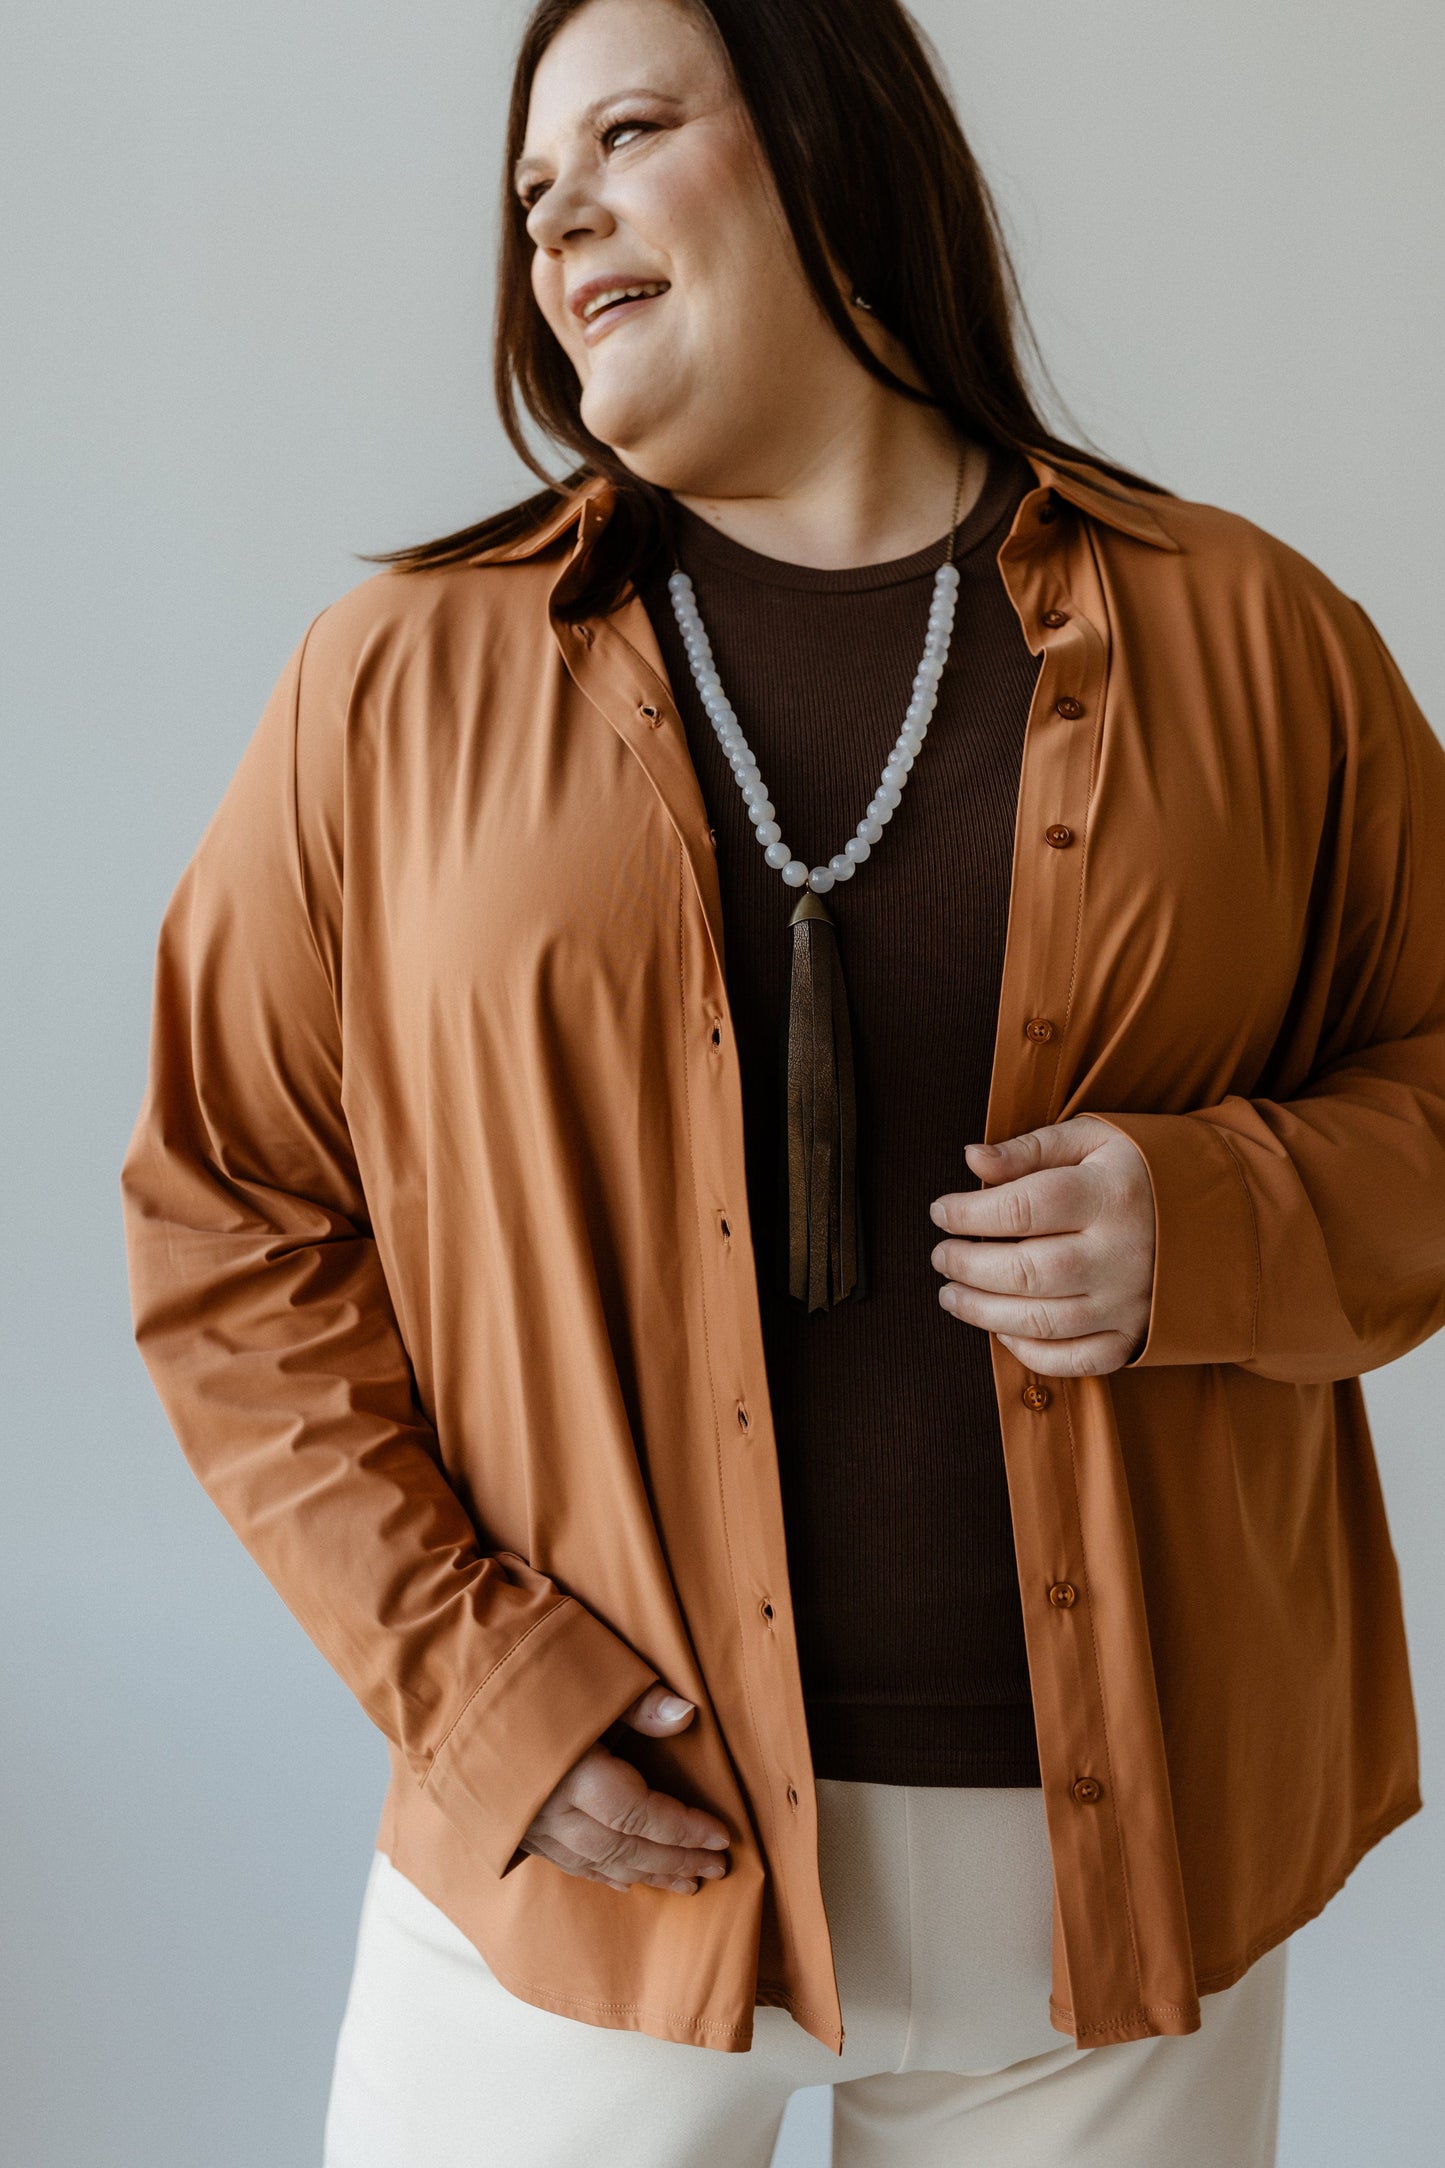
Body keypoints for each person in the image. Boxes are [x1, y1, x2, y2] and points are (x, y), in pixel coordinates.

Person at [118, 1, 1445, 2163]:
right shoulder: (398, 680)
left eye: (628, 132)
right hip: (583, 1875)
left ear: (831, 141)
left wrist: (1218, 1222)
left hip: (1120, 1909)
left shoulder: (1258, 643)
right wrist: (479, 1689)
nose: (558, 223)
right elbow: (226, 1215)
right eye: (531, 194)